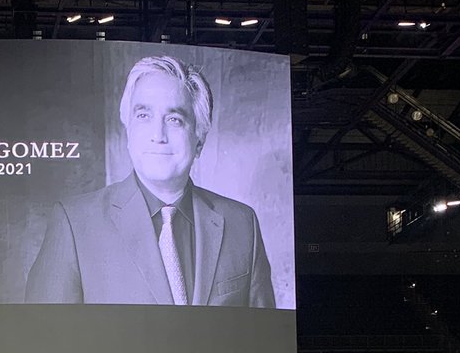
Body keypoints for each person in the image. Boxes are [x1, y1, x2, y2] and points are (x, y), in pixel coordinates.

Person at [25, 54, 274, 308]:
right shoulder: (74, 224)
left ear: (199, 141)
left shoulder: (242, 224)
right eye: (144, 116)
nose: (158, 135)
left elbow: (264, 338)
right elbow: (46, 337)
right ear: (128, 130)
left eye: (174, 119)